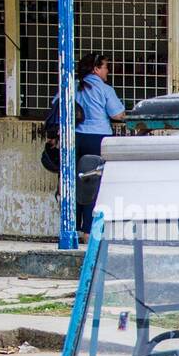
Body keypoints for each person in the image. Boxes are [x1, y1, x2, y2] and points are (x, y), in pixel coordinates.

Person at [73, 53, 125, 235]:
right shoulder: (104, 89)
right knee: (93, 183)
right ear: (96, 69)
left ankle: (73, 228)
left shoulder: (73, 86)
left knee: (75, 182)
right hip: (97, 139)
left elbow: (57, 105)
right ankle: (88, 231)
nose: (108, 71)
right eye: (105, 67)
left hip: (76, 138)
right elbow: (117, 115)